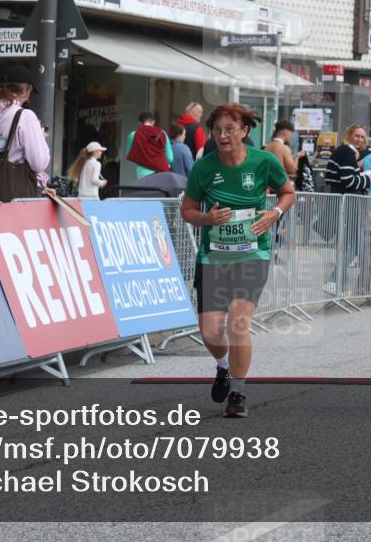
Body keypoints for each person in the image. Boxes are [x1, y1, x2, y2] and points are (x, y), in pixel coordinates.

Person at [181, 104, 294, 418]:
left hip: (252, 253)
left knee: (237, 321)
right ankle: (223, 365)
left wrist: (275, 213)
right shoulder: (204, 167)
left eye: (230, 128)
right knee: (210, 331)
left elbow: (288, 192)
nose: (222, 135)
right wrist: (206, 217)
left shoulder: (264, 162)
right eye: (217, 129)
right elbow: (187, 209)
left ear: (245, 130)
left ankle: (238, 393)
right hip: (213, 257)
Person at [0, 65, 52, 197]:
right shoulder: (25, 116)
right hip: (16, 192)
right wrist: (39, 137)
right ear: (27, 91)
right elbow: (39, 164)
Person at [325, 124, 371, 194]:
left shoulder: (343, 150)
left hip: (339, 197)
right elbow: (348, 181)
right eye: (357, 136)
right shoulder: (347, 151)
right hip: (344, 200)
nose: (359, 139)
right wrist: (367, 179)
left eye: (362, 137)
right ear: (349, 136)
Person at [126, 111, 172, 177]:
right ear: (153, 122)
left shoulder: (133, 135)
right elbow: (170, 158)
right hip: (161, 172)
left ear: (139, 123)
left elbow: (129, 153)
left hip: (142, 174)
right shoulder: (162, 133)